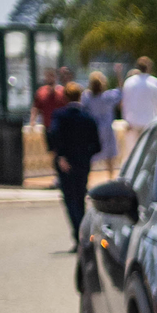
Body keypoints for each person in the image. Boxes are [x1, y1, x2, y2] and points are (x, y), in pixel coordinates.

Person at [47, 83, 101, 242]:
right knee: (80, 197)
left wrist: (61, 156)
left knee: (70, 199)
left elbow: (53, 135)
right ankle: (84, 234)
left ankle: (79, 234)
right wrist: (85, 156)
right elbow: (97, 145)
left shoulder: (60, 115)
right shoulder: (88, 117)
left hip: (65, 163)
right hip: (82, 163)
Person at [117, 55, 157, 164]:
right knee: (148, 154)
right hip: (149, 123)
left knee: (131, 154)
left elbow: (125, 103)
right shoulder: (155, 83)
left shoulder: (129, 82)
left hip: (132, 123)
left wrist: (126, 119)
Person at [82, 70, 120, 174]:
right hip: (107, 129)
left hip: (93, 129)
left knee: (91, 156)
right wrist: (118, 74)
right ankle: (111, 177)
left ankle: (88, 178)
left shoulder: (87, 97)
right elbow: (120, 92)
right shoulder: (108, 96)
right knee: (110, 156)